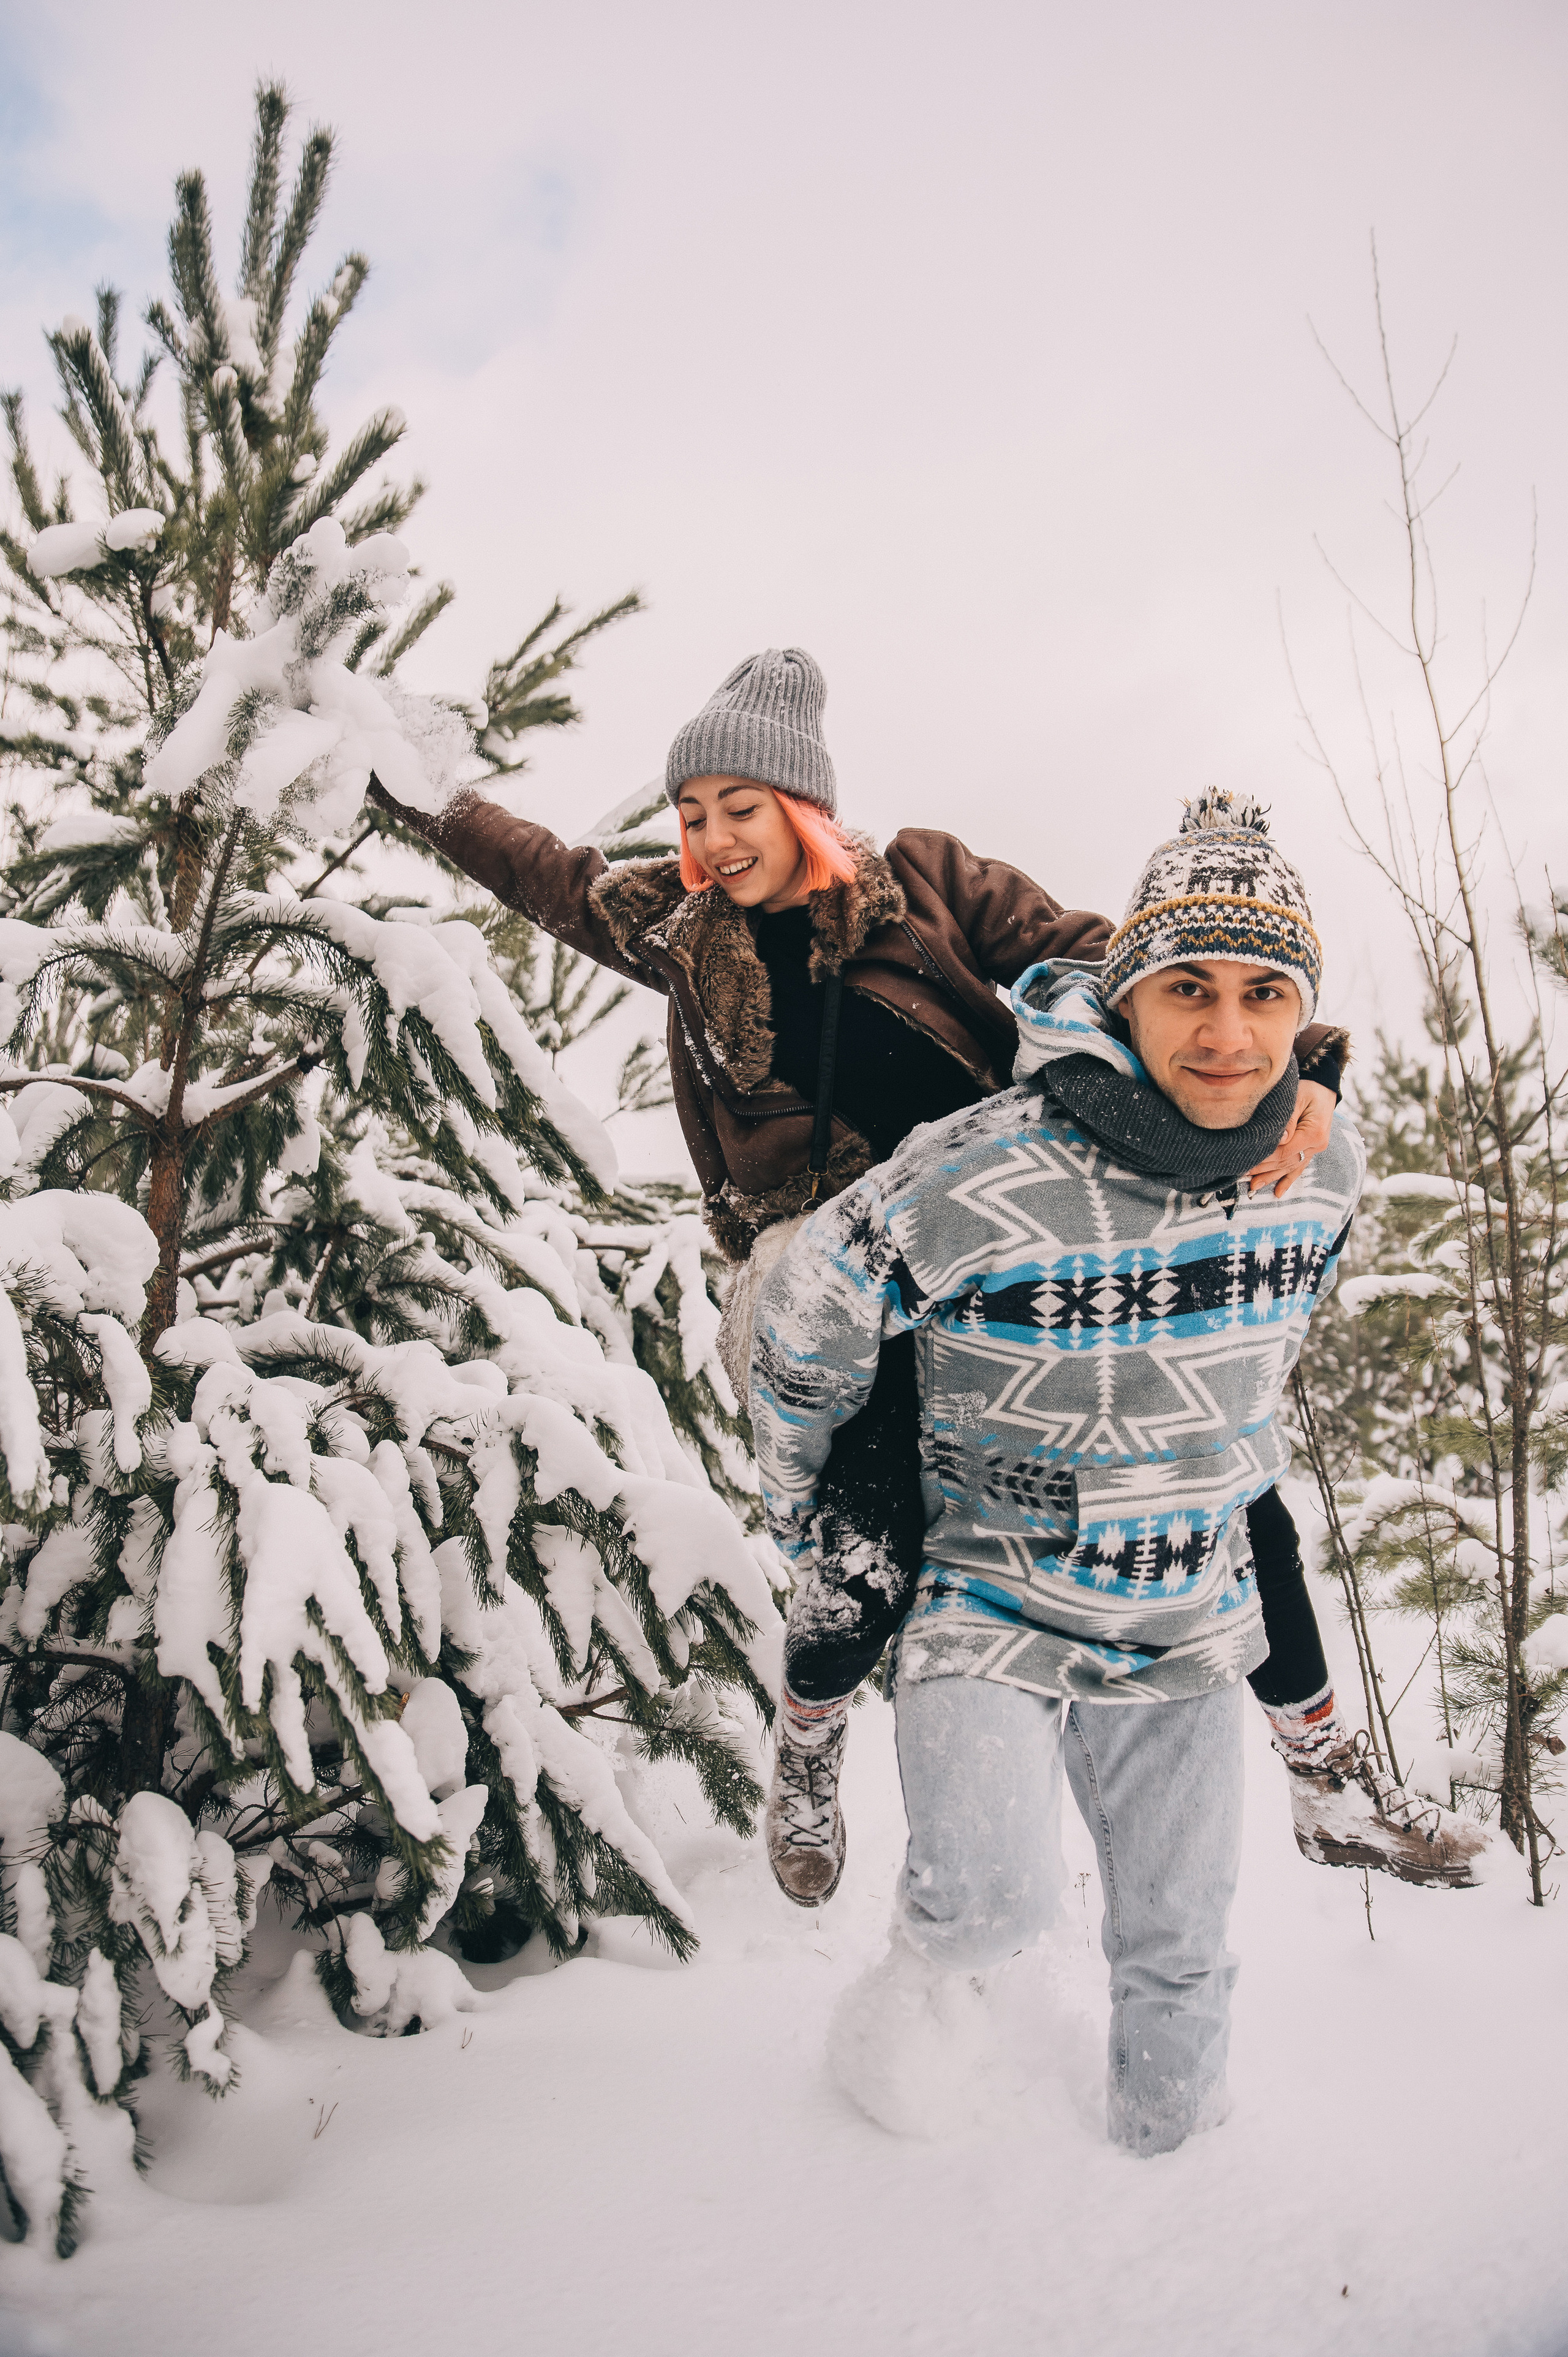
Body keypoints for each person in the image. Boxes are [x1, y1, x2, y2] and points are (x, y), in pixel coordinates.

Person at [368, 647, 1410, 1902]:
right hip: (819, 1256)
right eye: (691, 815)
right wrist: (402, 782)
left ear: (801, 805)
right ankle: (806, 1741)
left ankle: (1325, 1768)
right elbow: (545, 873)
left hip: (1000, 1234)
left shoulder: (926, 879)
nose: (710, 838)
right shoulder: (680, 932)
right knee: (865, 1525)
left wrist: (1296, 1068)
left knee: (1218, 1474)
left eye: (737, 808)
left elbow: (1125, 964)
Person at [748, 796, 1486, 2155]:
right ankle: (896, 2054)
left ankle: (1171, 2176)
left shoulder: (1319, 1179)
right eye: (1186, 988)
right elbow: (809, 1312)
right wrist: (802, 1494)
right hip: (992, 1598)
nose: (1224, 1031)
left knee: (1181, 1942)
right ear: (1127, 993)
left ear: (1299, 1009)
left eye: (1265, 993)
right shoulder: (981, 1167)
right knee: (986, 1898)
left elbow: (1254, 1367)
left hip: (1184, 1624)